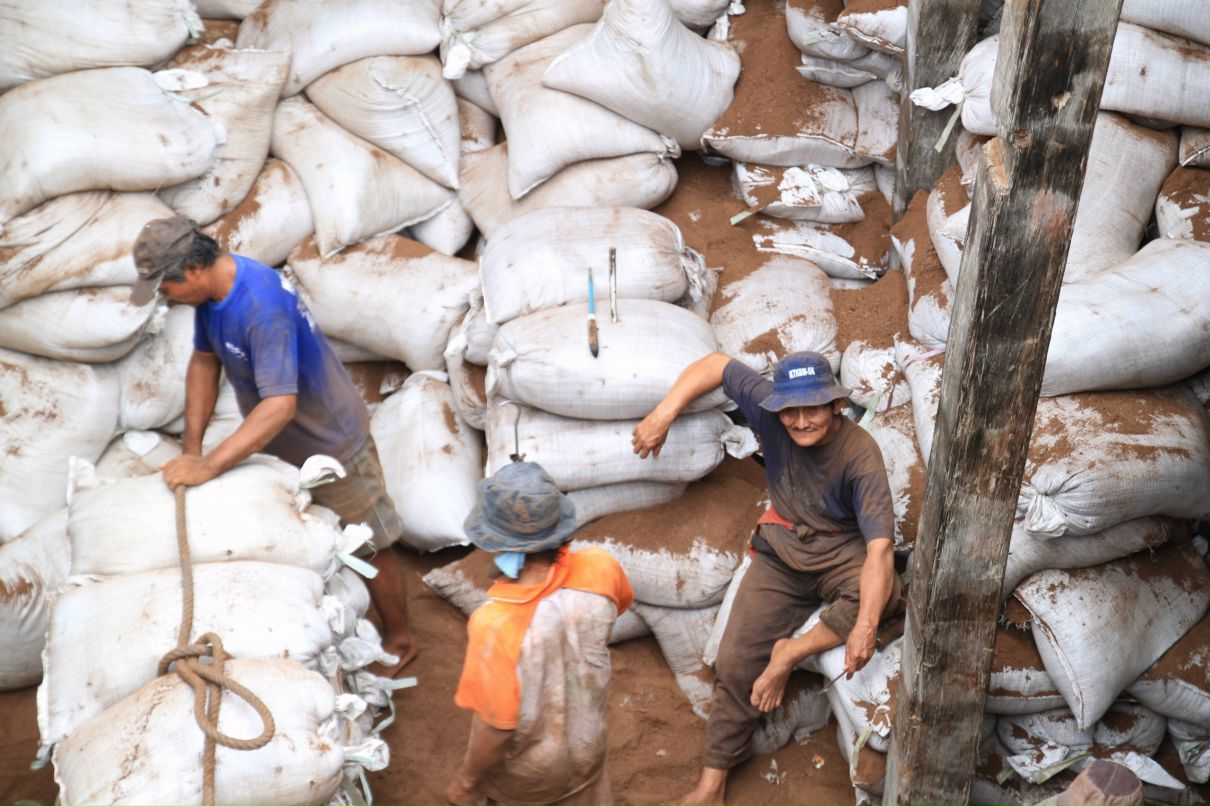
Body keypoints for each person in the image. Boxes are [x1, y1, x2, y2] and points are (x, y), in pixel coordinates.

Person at [128, 215, 415, 677]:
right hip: (279, 442)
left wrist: (210, 467)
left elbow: (280, 404)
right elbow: (204, 363)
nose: (166, 299)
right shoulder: (214, 296)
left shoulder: (260, 306)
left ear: (192, 271)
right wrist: (194, 449)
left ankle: (401, 638)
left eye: (165, 288)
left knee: (369, 545)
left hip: (331, 441)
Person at [632, 351, 903, 805]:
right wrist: (664, 412)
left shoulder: (860, 454)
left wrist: (865, 627)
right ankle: (711, 785)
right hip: (782, 551)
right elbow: (717, 364)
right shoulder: (769, 413)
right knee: (736, 662)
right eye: (790, 411)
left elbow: (879, 549)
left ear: (836, 405)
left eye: (812, 409)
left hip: (842, 551)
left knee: (885, 591)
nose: (799, 422)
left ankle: (790, 651)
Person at [446, 460, 634, 806]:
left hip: (532, 772)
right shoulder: (601, 568)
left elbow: (497, 727)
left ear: (496, 541)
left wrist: (467, 783)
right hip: (588, 740)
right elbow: (615, 605)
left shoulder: (494, 624)